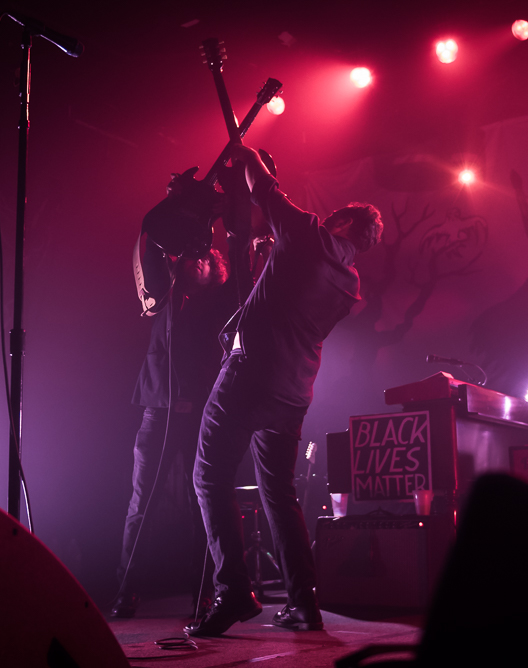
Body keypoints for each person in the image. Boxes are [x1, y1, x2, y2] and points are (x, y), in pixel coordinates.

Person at [185, 143, 383, 637]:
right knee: (279, 493)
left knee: (209, 476)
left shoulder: (308, 233)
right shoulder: (350, 284)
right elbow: (286, 304)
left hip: (249, 376)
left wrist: (241, 145)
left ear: (338, 221)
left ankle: (233, 593)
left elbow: (259, 180)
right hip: (294, 392)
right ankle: (303, 604)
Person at [112, 169, 252, 619]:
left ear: (218, 268)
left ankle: (204, 592)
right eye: (192, 255)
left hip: (200, 418)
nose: (198, 259)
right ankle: (125, 590)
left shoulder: (222, 301)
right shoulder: (165, 297)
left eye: (207, 256)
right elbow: (149, 233)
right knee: (142, 503)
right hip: (158, 411)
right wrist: (177, 202)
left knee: (202, 503)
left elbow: (242, 263)